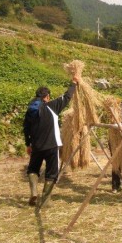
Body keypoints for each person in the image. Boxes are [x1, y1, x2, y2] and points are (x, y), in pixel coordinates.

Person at [23, 76, 79, 207]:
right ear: (47, 96)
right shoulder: (52, 106)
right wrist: (74, 83)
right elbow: (67, 96)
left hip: (36, 146)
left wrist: (28, 144)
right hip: (52, 146)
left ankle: (34, 192)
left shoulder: (30, 110)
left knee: (32, 169)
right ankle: (46, 201)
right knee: (51, 173)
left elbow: (26, 129)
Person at [111, 98, 122, 193]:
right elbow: (114, 123)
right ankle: (115, 186)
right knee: (116, 163)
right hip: (117, 141)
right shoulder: (118, 112)